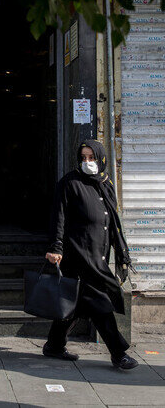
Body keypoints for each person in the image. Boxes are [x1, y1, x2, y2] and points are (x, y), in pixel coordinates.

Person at [43, 140, 138, 370]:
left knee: (75, 304)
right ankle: (118, 353)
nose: (87, 162)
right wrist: (56, 248)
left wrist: (120, 251)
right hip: (79, 254)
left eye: (92, 158)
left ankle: (54, 345)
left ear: (101, 158)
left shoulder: (105, 183)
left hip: (99, 254)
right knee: (100, 303)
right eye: (83, 158)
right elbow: (59, 218)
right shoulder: (69, 183)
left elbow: (112, 220)